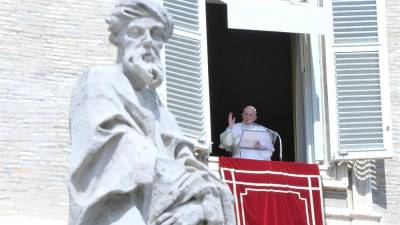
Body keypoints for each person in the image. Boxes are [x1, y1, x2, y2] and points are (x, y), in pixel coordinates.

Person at [68, 1, 235, 225]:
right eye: (137, 31)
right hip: (117, 202)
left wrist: (203, 190)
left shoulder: (155, 103)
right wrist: (180, 181)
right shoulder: (98, 79)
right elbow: (114, 145)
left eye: (155, 34)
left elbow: (182, 154)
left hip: (162, 198)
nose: (147, 41)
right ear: (117, 36)